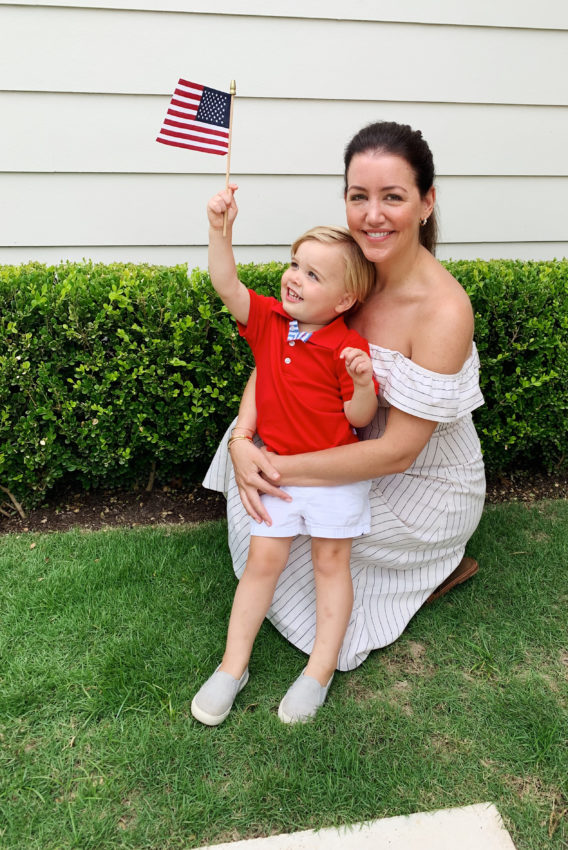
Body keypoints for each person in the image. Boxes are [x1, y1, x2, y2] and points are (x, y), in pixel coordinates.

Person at [203, 120, 485, 681]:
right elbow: (281, 350)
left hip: (419, 481)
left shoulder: (442, 311)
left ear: (427, 202)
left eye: (393, 197)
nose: (372, 214)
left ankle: (431, 567)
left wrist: (278, 468)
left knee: (300, 524)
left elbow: (397, 453)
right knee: (248, 456)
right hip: (342, 443)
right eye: (359, 196)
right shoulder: (347, 271)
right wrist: (240, 440)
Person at [192, 185, 378, 726]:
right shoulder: (272, 322)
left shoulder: (349, 347)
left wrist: (363, 383)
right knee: (262, 563)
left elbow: (360, 421)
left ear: (344, 301)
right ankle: (233, 666)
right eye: (295, 264)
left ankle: (318, 671)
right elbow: (225, 283)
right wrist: (218, 228)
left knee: (330, 564)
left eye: (313, 274)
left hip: (335, 479)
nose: (294, 276)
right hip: (276, 471)